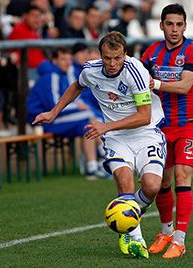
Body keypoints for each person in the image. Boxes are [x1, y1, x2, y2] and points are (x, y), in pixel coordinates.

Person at [32, 32, 166, 259]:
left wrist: (106, 126)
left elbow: (144, 116)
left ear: (125, 54)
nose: (112, 64)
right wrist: (54, 112)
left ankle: (129, 214)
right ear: (100, 55)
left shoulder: (137, 72)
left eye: (117, 58)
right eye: (107, 58)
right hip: (117, 138)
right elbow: (77, 85)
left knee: (151, 187)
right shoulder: (91, 70)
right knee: (124, 180)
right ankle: (135, 238)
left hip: (145, 133)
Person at [141, 3, 193, 259]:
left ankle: (181, 240)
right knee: (163, 182)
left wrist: (156, 82)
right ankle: (166, 232)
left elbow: (185, 87)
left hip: (188, 125)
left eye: (179, 24)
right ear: (161, 25)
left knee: (183, 176)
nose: (174, 29)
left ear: (185, 26)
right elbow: (138, 84)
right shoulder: (151, 53)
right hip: (160, 128)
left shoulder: (191, 49)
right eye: (169, 24)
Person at [27, 47, 102, 180]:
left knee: (87, 125)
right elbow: (54, 106)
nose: (67, 62)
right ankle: (103, 156)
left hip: (57, 118)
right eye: (63, 59)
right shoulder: (51, 76)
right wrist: (79, 107)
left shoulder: (63, 75)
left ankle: (92, 167)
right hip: (43, 121)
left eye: (69, 59)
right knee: (90, 117)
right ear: (54, 61)